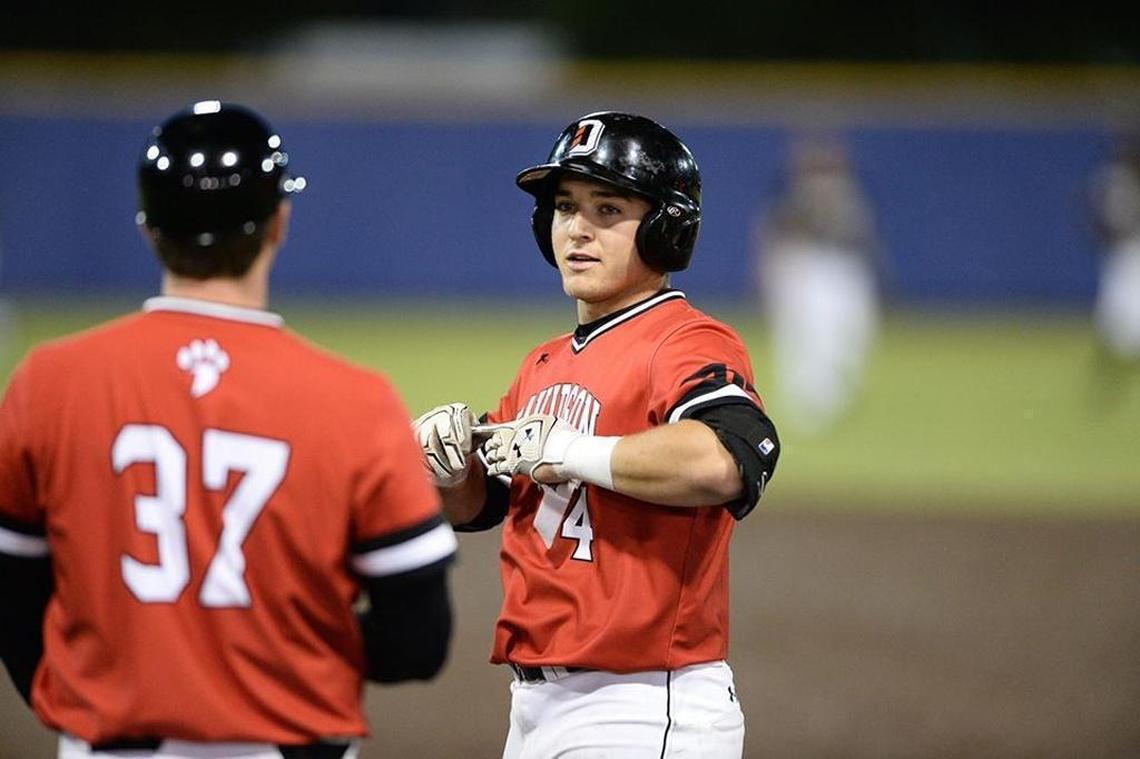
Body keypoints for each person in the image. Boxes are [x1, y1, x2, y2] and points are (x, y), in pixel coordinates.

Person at [0, 101, 456, 759]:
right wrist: (292, 646)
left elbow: (14, 596)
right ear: (279, 221)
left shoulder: (47, 381)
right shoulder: (354, 400)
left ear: (149, 226)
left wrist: (78, 693)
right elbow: (419, 640)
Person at [412, 111, 780, 757]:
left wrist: (569, 450)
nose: (576, 230)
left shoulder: (685, 340)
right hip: (535, 707)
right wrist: (447, 473)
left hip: (640, 707)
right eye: (563, 207)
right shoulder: (544, 362)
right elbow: (486, 504)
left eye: (607, 209)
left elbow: (727, 457)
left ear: (666, 228)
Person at [753, 134, 883, 436]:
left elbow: (865, 238)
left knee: (846, 337)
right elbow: (774, 235)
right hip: (810, 271)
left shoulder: (849, 195)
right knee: (806, 339)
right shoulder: (794, 196)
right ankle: (808, 407)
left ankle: (831, 399)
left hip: (841, 270)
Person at [1087, 133, 1140, 406]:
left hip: (1128, 255)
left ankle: (1107, 387)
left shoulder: (1115, 181)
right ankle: (1105, 386)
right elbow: (1098, 220)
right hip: (1124, 256)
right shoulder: (1115, 181)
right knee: (1116, 323)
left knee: (1123, 325)